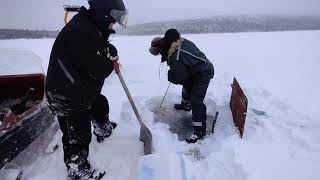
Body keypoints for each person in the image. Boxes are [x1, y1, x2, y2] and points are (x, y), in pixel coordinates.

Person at [45, 0, 128, 179]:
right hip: (65, 93)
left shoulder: (89, 26)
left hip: (77, 88)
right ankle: (78, 169)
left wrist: (108, 47)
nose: (114, 23)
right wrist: (108, 62)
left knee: (99, 103)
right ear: (104, 13)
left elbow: (95, 47)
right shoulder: (81, 31)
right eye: (114, 19)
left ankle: (102, 129)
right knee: (77, 135)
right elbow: (96, 69)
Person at [149, 29, 214, 143]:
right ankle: (186, 105)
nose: (160, 55)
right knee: (187, 85)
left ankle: (199, 130)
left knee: (196, 100)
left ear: (161, 49)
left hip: (203, 72)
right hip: (195, 69)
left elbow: (180, 78)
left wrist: (171, 74)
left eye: (159, 53)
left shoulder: (175, 57)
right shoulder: (179, 41)